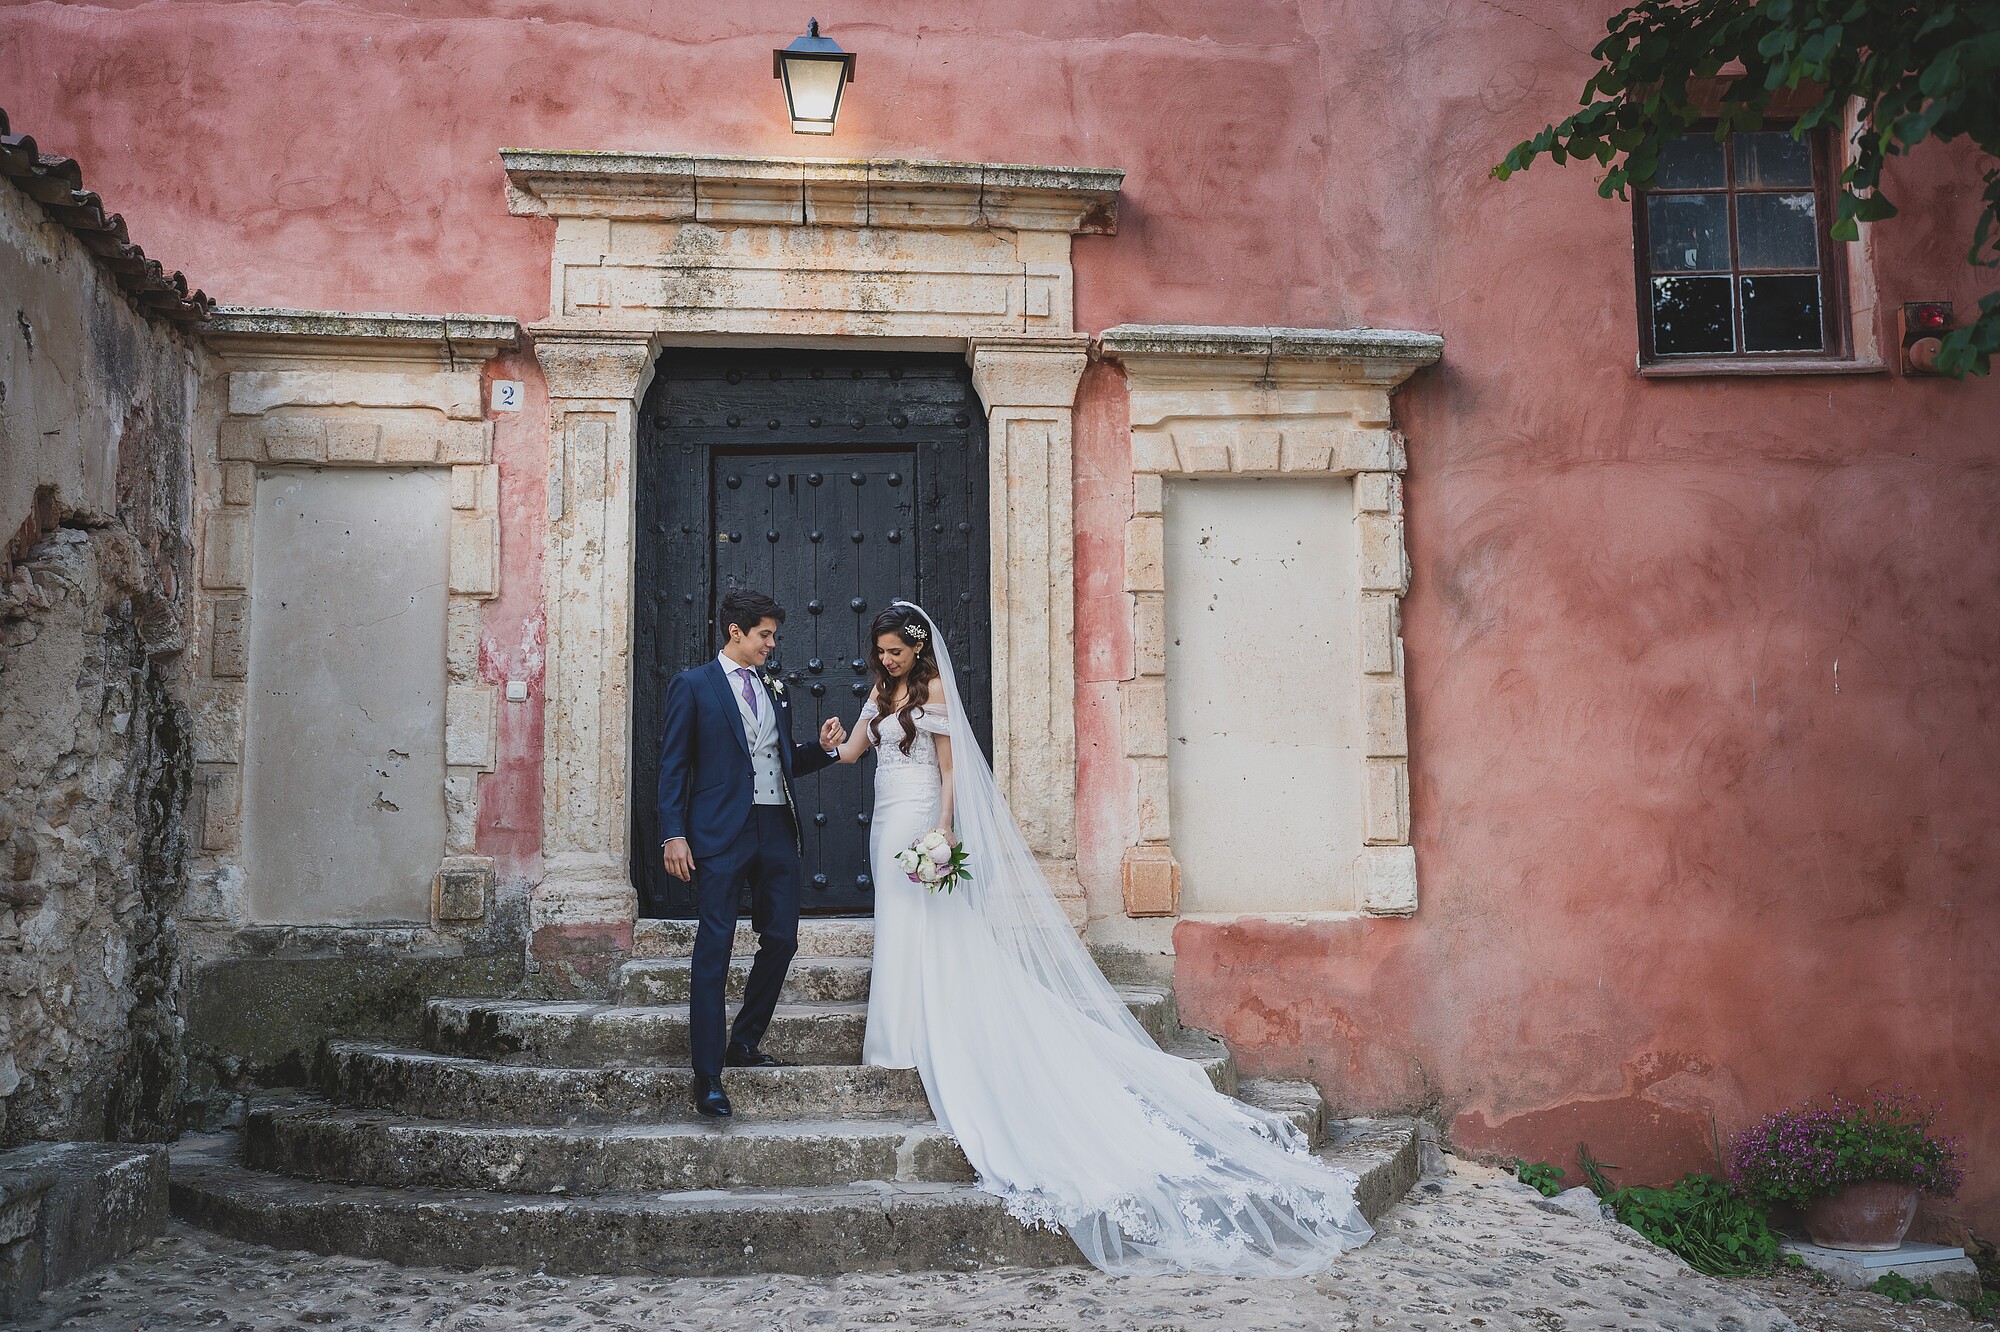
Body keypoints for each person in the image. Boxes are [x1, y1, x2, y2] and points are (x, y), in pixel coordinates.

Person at [826, 601, 1373, 1276]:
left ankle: (924, 1030)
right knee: (898, 926)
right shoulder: (877, 695)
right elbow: (852, 752)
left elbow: (950, 769)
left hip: (916, 817)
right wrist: (830, 738)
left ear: (917, 649)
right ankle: (896, 1033)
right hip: (882, 821)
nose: (886, 661)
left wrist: (945, 831)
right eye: (879, 652)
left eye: (895, 652)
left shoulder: (934, 691)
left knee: (930, 925)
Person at [655, 588, 846, 1118]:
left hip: (776, 826)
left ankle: (744, 1040)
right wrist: (673, 832)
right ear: (735, 632)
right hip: (718, 833)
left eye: (774, 636)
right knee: (713, 948)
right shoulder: (693, 686)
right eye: (765, 634)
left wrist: (824, 749)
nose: (772, 644)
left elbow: (782, 759)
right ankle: (708, 1074)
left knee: (782, 938)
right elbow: (673, 767)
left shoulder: (774, 687)